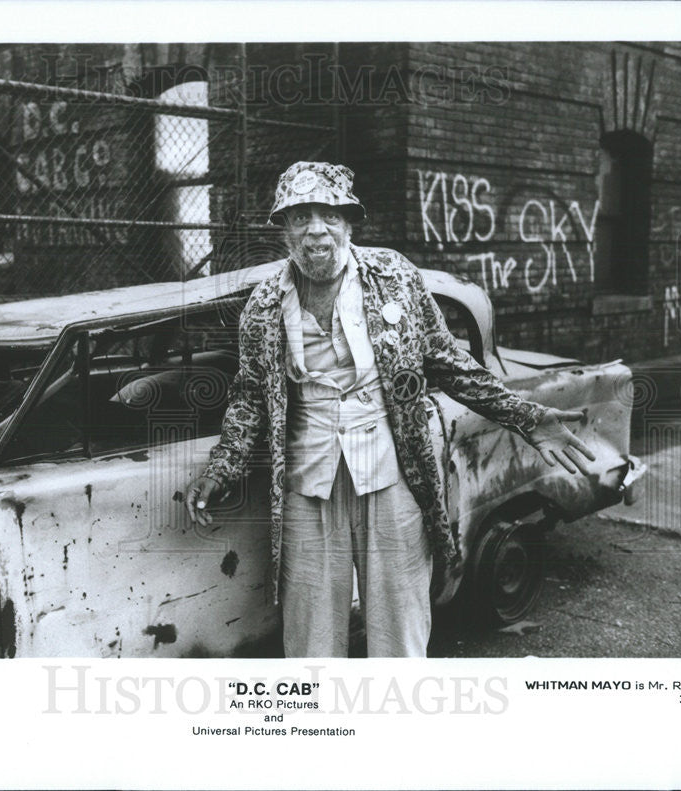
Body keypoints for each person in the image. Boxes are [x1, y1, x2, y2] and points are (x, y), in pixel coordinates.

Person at [185, 161, 594, 658]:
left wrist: (526, 415)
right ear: (284, 228)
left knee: (399, 626)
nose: (317, 229)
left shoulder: (394, 277)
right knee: (311, 633)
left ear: (348, 222)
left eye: (329, 215)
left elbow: (448, 363)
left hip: (390, 473)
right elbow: (250, 395)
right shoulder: (265, 306)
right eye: (301, 216)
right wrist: (223, 467)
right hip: (307, 481)